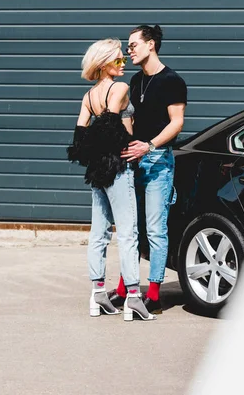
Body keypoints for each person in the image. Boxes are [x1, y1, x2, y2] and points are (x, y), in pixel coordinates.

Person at [67, 38, 156, 321]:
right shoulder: (120, 88)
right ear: (104, 64)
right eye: (118, 60)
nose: (123, 63)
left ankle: (98, 295)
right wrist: (126, 148)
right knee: (128, 234)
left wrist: (97, 156)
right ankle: (133, 297)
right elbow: (109, 128)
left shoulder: (88, 97)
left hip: (98, 171)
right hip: (118, 169)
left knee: (99, 233)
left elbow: (79, 140)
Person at [109, 25, 187, 314]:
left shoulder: (172, 81)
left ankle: (153, 294)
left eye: (133, 45)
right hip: (135, 161)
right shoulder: (135, 80)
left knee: (155, 229)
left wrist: (149, 146)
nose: (129, 50)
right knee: (131, 229)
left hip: (158, 163)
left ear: (151, 44)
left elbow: (176, 122)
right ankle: (124, 287)